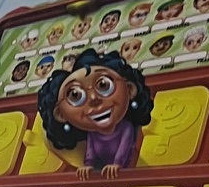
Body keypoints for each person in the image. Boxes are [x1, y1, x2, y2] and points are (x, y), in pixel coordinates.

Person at [35, 47, 154, 178]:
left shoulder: (126, 127)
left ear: (129, 89)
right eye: (75, 95)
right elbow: (90, 153)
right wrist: (87, 166)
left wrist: (117, 164)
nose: (93, 98)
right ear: (60, 114)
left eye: (103, 85)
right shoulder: (92, 134)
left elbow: (124, 149)